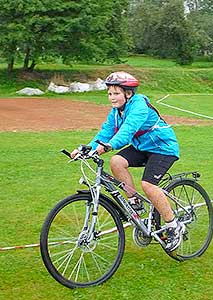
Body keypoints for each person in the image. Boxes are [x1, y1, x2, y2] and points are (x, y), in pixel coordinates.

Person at [71, 71, 185, 252]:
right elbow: (105, 133)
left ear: (128, 93)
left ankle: (173, 226)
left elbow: (127, 132)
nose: (111, 98)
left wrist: (108, 147)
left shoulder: (139, 105)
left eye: (116, 93)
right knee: (116, 162)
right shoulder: (116, 112)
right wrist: (87, 148)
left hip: (163, 148)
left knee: (148, 185)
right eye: (109, 94)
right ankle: (134, 202)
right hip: (142, 148)